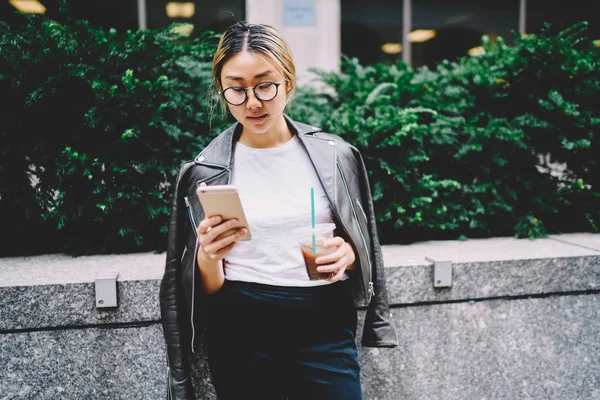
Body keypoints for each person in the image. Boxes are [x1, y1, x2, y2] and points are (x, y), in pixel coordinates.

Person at [160, 22, 397, 400]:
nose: (252, 101)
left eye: (264, 84)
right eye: (236, 89)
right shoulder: (204, 171)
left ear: (288, 81)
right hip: (240, 327)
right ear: (222, 91)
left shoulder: (336, 155)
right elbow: (199, 288)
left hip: (324, 324)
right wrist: (208, 256)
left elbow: (363, 243)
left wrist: (348, 255)